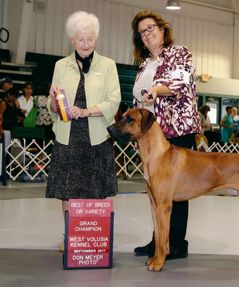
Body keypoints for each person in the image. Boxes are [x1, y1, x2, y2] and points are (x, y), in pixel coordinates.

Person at [45, 11, 121, 252]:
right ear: (72, 40)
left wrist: (88, 111)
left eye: (90, 39)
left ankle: (96, 238)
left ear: (95, 39)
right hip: (67, 136)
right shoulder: (60, 66)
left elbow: (114, 100)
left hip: (97, 135)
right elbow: (51, 101)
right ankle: (70, 237)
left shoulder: (108, 65)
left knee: (99, 190)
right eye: (81, 40)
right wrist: (54, 105)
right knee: (67, 191)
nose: (86, 44)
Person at [131, 10, 201, 259]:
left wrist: (156, 90)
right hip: (152, 138)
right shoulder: (143, 65)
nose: (146, 34)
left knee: (178, 192)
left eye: (150, 28)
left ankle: (177, 244)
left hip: (176, 130)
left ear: (162, 29)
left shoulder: (179, 53)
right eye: (141, 32)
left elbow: (179, 84)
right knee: (157, 193)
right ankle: (158, 242)